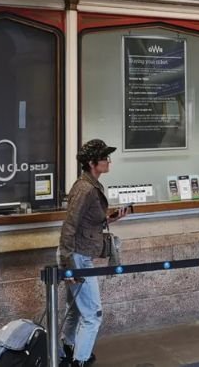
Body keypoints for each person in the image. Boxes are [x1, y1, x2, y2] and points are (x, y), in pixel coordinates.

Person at [58, 139, 129, 367]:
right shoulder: (85, 189)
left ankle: (66, 349)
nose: (108, 161)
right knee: (93, 314)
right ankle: (80, 359)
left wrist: (111, 218)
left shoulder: (90, 186)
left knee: (77, 309)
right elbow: (69, 226)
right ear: (91, 163)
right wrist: (68, 265)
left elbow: (88, 222)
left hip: (78, 254)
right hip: (77, 257)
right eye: (104, 158)